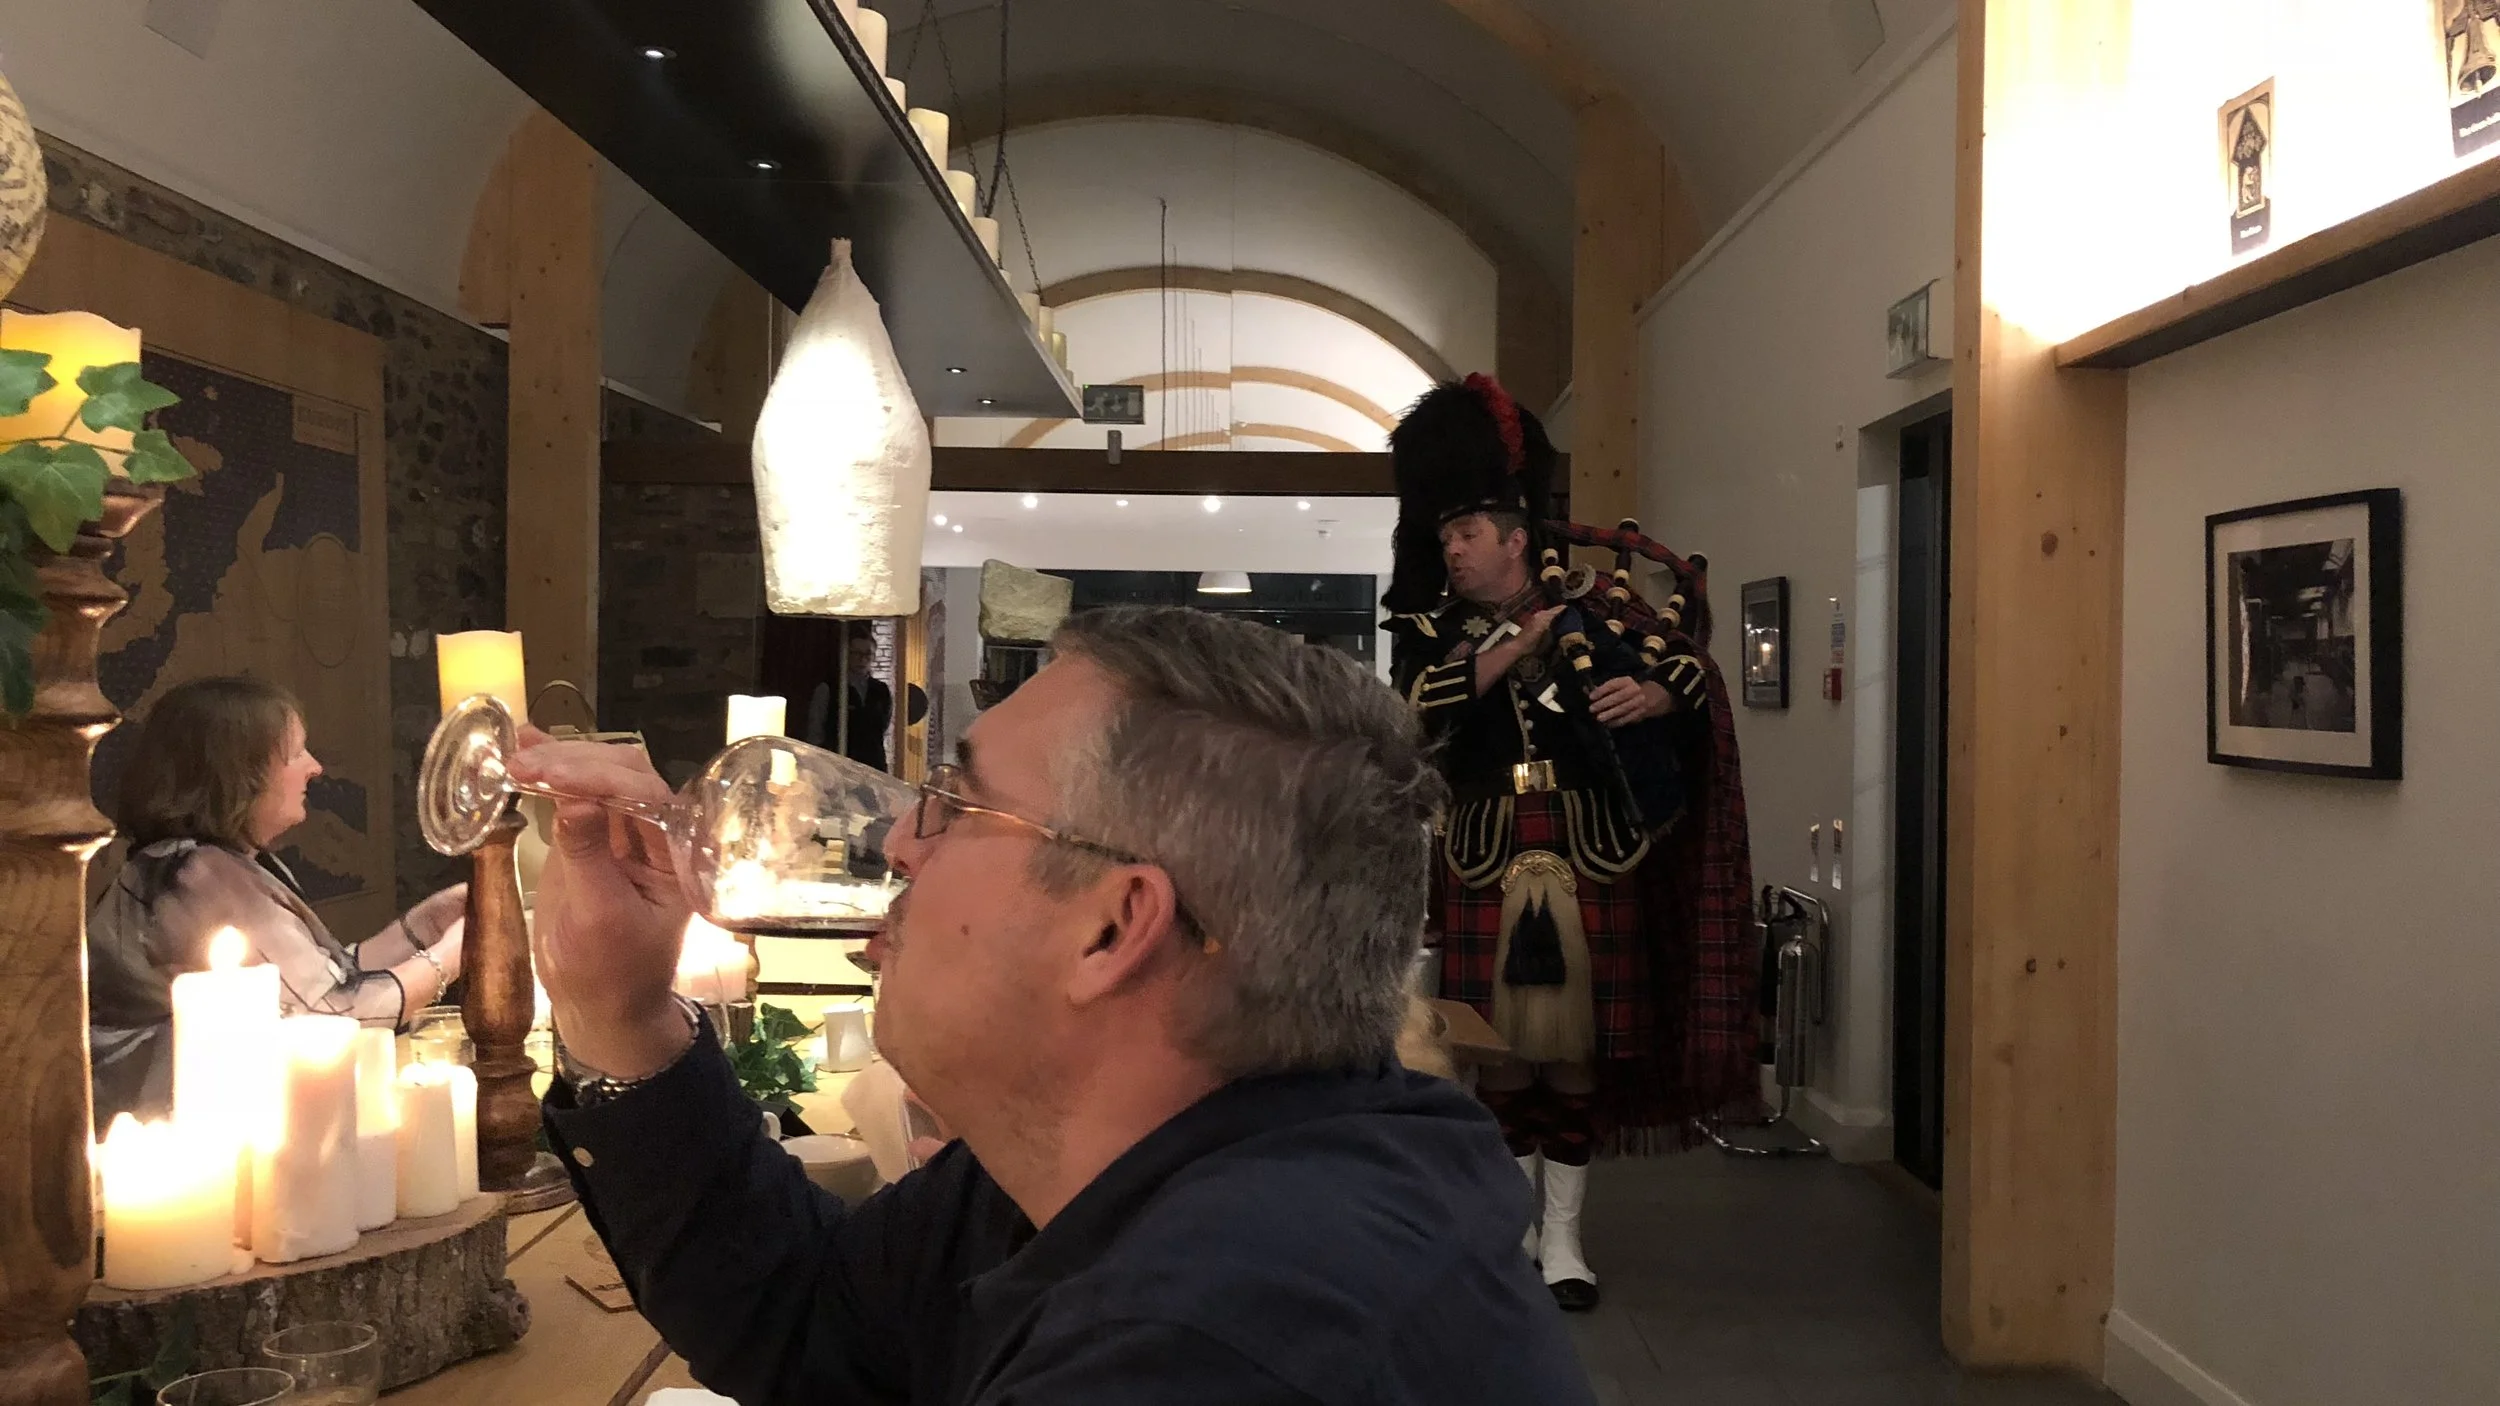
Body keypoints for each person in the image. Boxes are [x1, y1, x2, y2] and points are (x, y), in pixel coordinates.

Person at [516, 606, 1596, 1405]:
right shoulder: (1136, 1156)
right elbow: (806, 1317)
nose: (900, 839)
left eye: (956, 802)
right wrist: (620, 1017)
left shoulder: (1208, 1346)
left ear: (1113, 927)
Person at [1382, 375, 1756, 1313]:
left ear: (1514, 536)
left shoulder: (1598, 606)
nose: (1450, 548)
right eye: (1444, 533)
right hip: (1484, 849)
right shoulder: (1432, 631)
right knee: (1502, 1054)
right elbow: (1413, 714)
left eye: (1467, 533)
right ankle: (1514, 1227)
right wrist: (1510, 648)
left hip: (1592, 849)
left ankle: (1564, 1239)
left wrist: (1659, 696)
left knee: (1577, 1053)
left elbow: (1693, 672)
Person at [88, 676, 468, 1128]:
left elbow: (324, 982)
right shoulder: (201, 879)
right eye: (295, 753)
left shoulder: (215, 863)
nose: (315, 767)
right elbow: (332, 1018)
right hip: (160, 1134)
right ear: (240, 773)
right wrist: (451, 956)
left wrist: (427, 925)